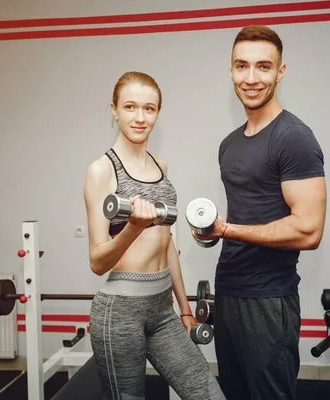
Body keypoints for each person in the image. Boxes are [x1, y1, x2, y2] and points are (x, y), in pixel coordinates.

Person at [194, 25, 327, 399]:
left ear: (280, 72)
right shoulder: (229, 145)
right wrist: (208, 232)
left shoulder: (293, 137)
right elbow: (249, 213)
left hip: (269, 300)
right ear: (231, 70)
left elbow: (308, 231)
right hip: (229, 293)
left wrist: (227, 230)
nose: (251, 78)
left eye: (263, 67)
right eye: (242, 66)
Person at [84, 71, 225, 400]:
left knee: (209, 395)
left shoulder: (160, 165)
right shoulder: (101, 171)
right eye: (130, 107)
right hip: (120, 313)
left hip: (162, 310)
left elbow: (168, 244)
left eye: (149, 108)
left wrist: (185, 309)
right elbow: (97, 261)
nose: (140, 116)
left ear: (158, 113)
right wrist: (133, 227)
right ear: (114, 109)